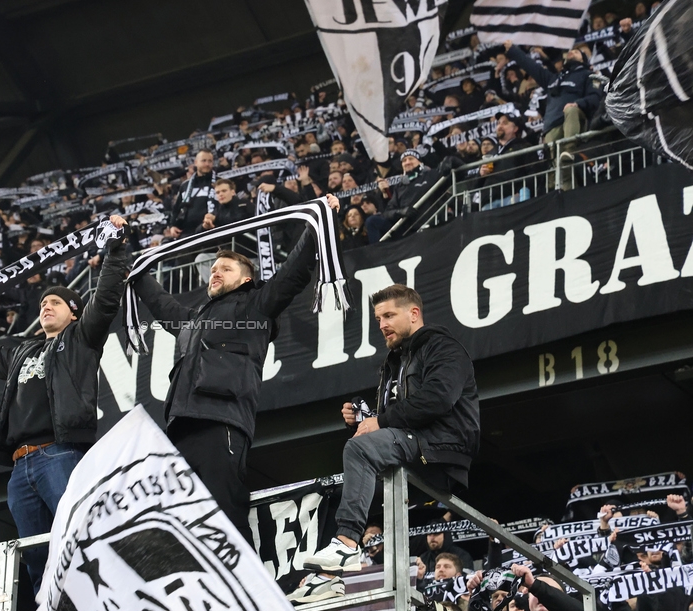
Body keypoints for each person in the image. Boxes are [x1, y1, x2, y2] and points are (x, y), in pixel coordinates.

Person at [132, 194, 342, 543]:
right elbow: (159, 301)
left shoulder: (255, 306)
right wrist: (133, 270)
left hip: (222, 422)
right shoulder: (193, 319)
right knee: (182, 522)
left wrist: (318, 224)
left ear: (245, 280)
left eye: (225, 269)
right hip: (181, 427)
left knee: (224, 513)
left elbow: (293, 274)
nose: (215, 273)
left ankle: (247, 589)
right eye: (213, 269)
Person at [0, 215, 130, 594]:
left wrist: (116, 249)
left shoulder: (81, 339)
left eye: (55, 302)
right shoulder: (21, 351)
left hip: (59, 454)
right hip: (19, 467)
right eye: (43, 302)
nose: (46, 307)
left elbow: (107, 297)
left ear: (74, 312)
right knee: (37, 560)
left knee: (78, 542)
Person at [299, 285, 479, 585]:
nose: (382, 324)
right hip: (411, 448)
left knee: (358, 450)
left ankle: (346, 545)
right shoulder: (393, 362)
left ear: (414, 313)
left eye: (389, 315)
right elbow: (393, 419)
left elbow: (438, 399)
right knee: (333, 490)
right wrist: (360, 421)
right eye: (378, 318)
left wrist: (379, 422)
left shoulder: (442, 347)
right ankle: (325, 578)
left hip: (440, 450)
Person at [503, 40, 601, 160]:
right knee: (555, 169)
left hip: (574, 120)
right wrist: (513, 50)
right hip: (551, 126)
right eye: (571, 51)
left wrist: (577, 104)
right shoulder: (553, 79)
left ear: (583, 60)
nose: (571, 52)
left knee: (571, 110)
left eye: (576, 52)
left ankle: (570, 150)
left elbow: (595, 98)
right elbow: (531, 66)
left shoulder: (588, 75)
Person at [169, 150, 215, 239]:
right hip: (186, 232)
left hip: (209, 231)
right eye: (204, 161)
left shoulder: (218, 182)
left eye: (210, 161)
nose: (207, 164)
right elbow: (176, 208)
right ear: (196, 162)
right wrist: (172, 226)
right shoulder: (185, 185)